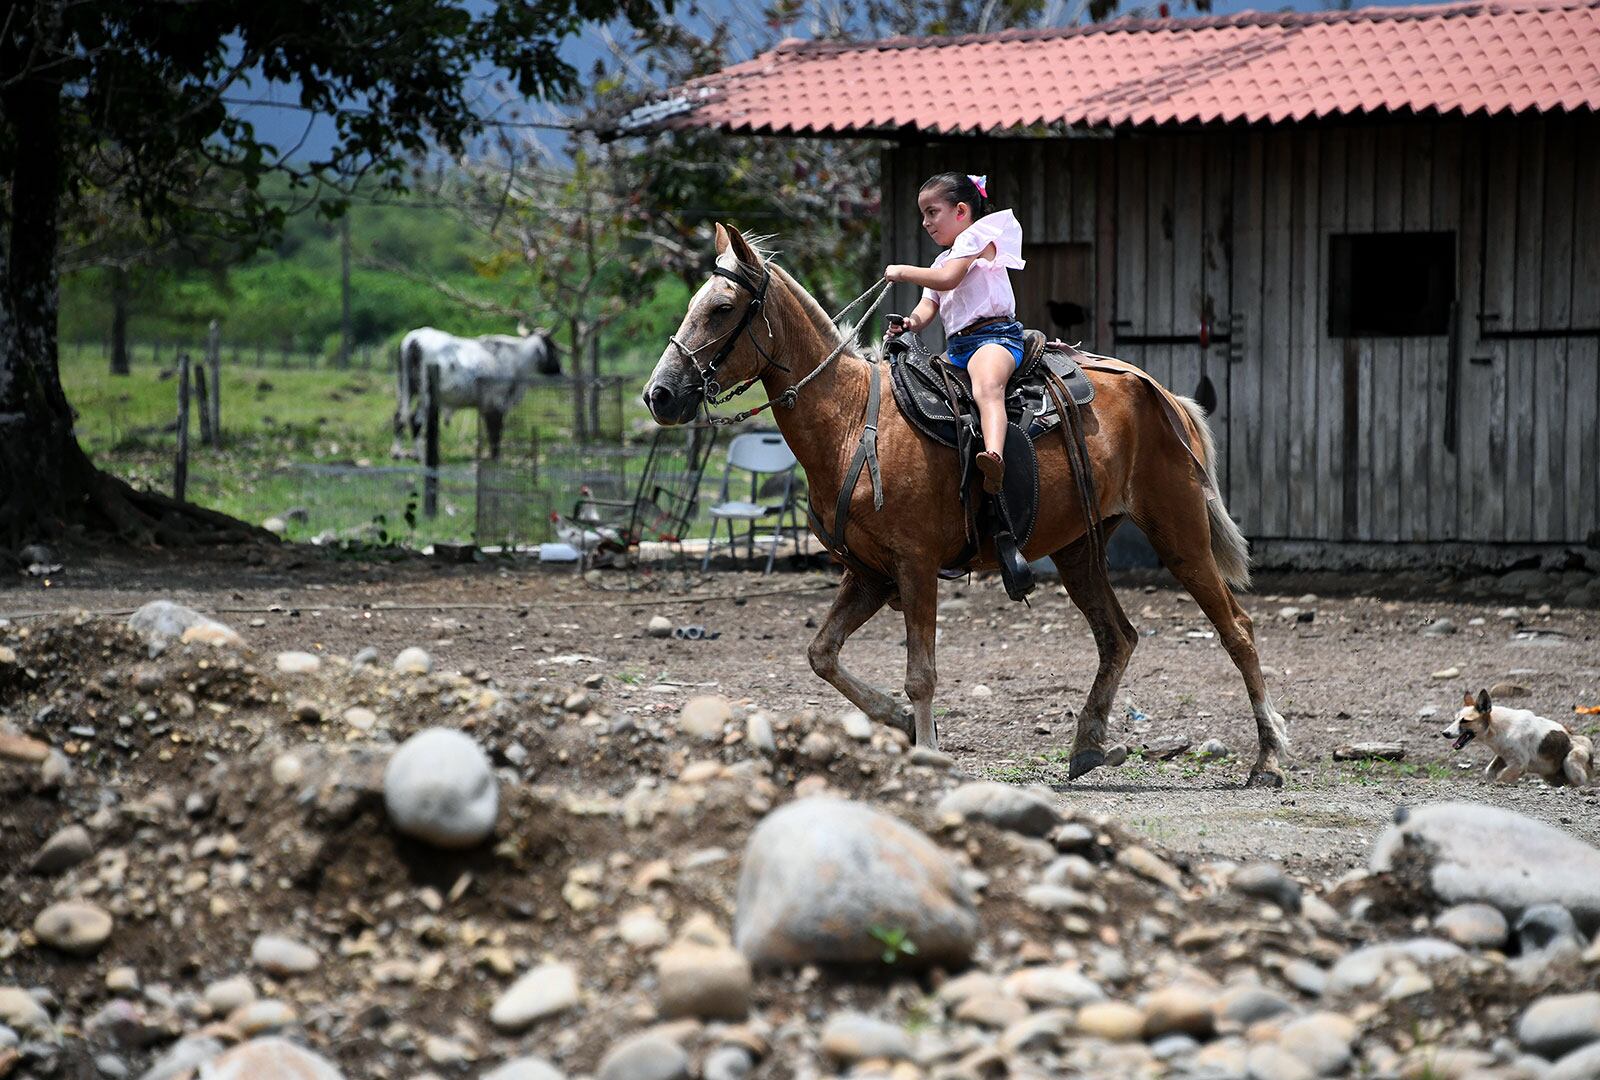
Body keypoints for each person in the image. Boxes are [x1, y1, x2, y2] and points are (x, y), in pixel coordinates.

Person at [884, 172, 1026, 494]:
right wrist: (909, 323)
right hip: (958, 345)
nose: (925, 223)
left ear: (960, 211)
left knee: (987, 385)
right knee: (924, 388)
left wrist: (903, 272)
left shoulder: (976, 238)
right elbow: (927, 308)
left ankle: (994, 458)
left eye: (932, 212)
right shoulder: (940, 261)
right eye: (923, 215)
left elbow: (949, 280)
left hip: (994, 338)